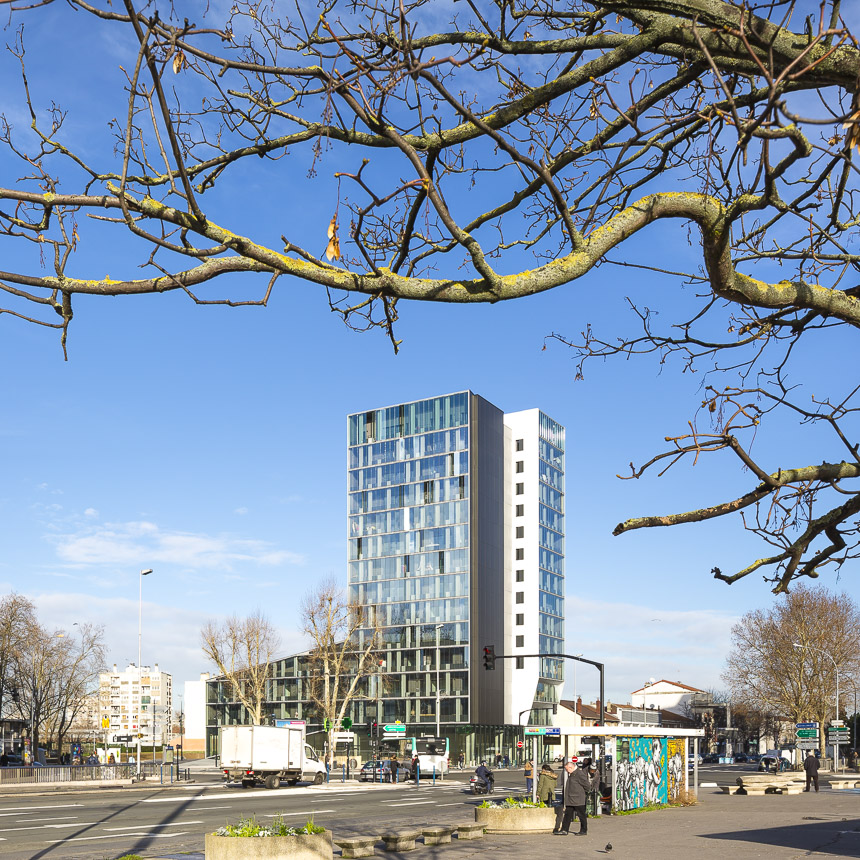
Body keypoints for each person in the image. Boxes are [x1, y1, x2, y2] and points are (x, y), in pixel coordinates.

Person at [554, 760, 596, 836]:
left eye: (567, 769)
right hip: (571, 799)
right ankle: (564, 830)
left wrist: (582, 793)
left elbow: (587, 786)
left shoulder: (579, 774)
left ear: (571, 767)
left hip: (578, 799)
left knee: (581, 815)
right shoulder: (573, 773)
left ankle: (583, 830)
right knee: (567, 815)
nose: (567, 771)